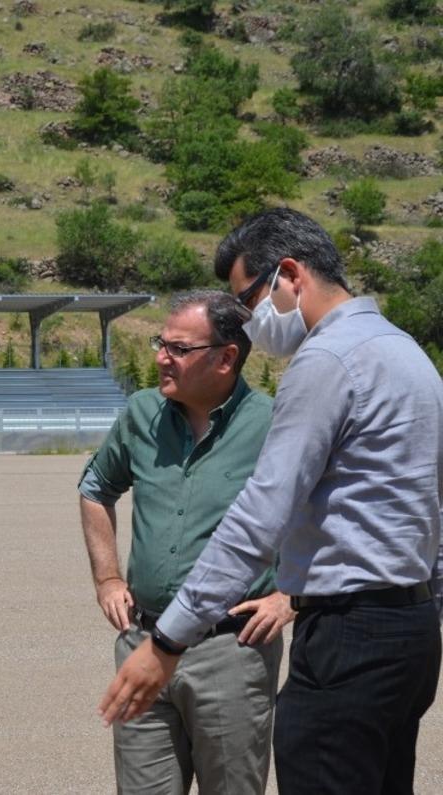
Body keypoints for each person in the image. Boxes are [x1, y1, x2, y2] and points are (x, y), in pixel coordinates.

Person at [99, 208, 443, 795]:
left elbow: (259, 517)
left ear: (289, 274)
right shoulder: (406, 353)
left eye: (249, 300)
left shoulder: (327, 360)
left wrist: (168, 640)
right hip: (408, 631)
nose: (251, 322)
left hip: (346, 638)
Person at [80, 291, 293, 794]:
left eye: (178, 348)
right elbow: (95, 489)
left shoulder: (274, 424)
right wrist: (107, 578)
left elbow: (322, 518)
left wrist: (289, 597)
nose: (161, 357)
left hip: (231, 651)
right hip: (143, 639)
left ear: (226, 358)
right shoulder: (141, 414)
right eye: (161, 343)